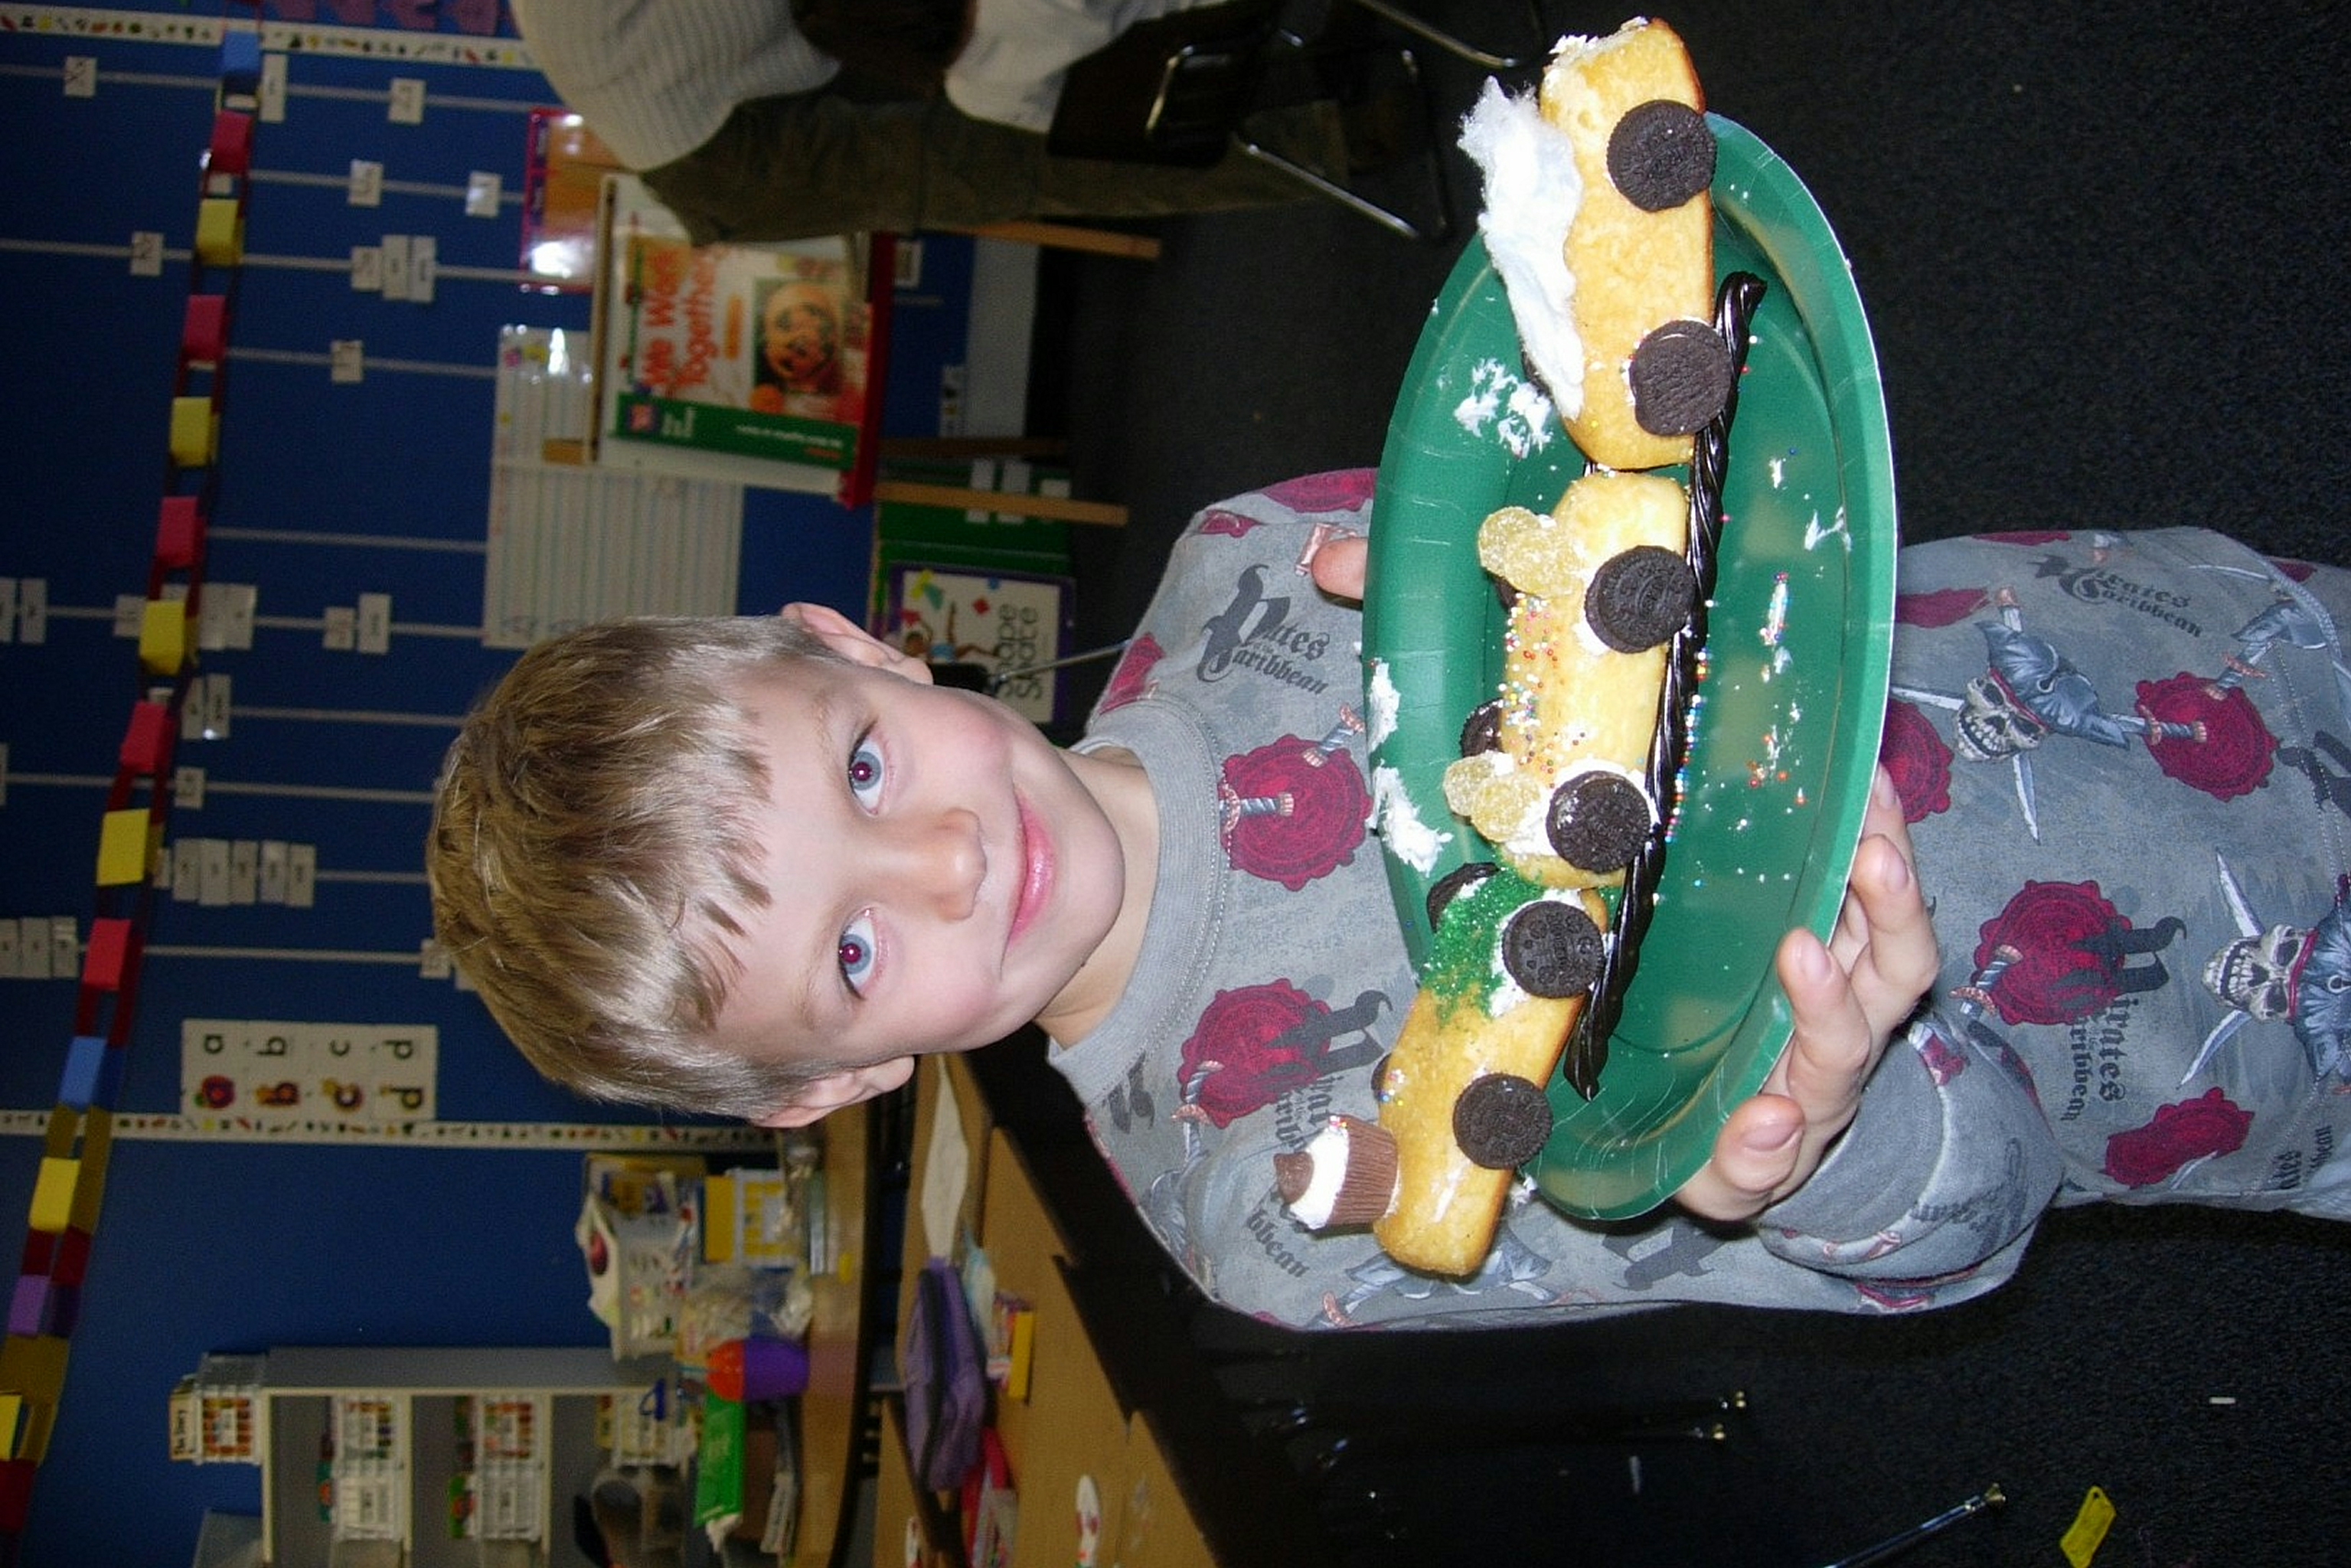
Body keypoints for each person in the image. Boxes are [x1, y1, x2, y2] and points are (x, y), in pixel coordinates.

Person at [429, 470, 2351, 1328]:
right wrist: (1811, 1145)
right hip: (2237, 1052)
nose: (946, 858)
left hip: (2202, 645)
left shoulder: (1252, 559)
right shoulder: (1278, 1206)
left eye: (860, 767)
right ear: (826, 1088)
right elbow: (1958, 1231)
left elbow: (1743, 508)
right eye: (852, 954)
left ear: (856, 644)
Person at [507, 0, 1337, 244]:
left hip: (756, 53)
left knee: (1059, 58)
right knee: (1044, 148)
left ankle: (1318, 69)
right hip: (728, 149)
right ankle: (1335, 143)